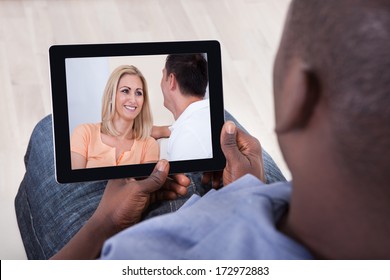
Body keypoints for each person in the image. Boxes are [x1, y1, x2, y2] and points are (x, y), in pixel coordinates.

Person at [71, 65, 159, 169]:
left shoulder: (148, 145)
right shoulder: (85, 133)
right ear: (111, 95)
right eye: (125, 91)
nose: (133, 99)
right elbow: (75, 185)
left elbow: (148, 184)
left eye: (138, 93)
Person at [152, 54, 212, 161]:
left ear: (171, 80)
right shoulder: (216, 113)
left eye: (163, 75)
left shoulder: (186, 142)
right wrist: (164, 130)